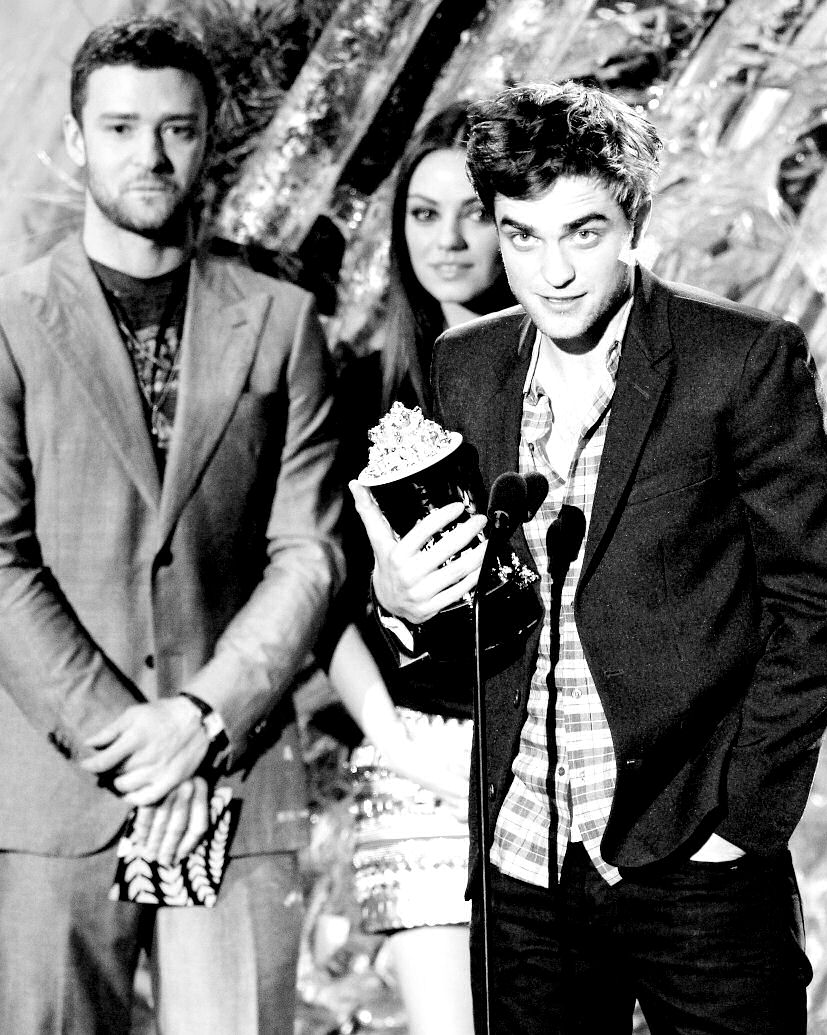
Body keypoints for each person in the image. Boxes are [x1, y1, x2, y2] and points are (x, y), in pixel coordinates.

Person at [349, 80, 827, 1034]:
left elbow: (820, 599)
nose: (551, 272)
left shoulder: (739, 358)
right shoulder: (467, 364)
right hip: (523, 860)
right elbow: (473, 611)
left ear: (635, 220)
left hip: (694, 855)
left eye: (581, 233)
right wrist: (400, 603)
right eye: (521, 237)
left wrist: (739, 819)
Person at [0, 17, 343, 1035]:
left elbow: (309, 552)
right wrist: (140, 747)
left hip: (238, 777)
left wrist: (201, 720)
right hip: (56, 791)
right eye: (120, 128)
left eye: (177, 129)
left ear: (209, 140)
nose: (149, 155)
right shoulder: (8, 322)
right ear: (76, 141)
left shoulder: (281, 321)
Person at [323, 102, 515, 1035]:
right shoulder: (362, 390)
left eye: (475, 213)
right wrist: (392, 738)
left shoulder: (566, 372)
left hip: (547, 743)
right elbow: (319, 594)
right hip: (416, 744)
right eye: (424, 214)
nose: (449, 240)